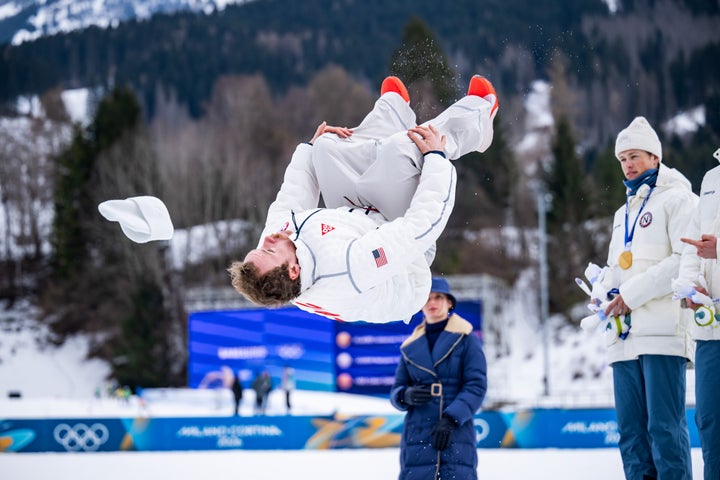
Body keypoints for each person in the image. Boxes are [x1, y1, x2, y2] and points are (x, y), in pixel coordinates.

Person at [228, 75, 498, 323]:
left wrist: (309, 147)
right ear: (294, 271)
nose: (269, 239)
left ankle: (394, 113)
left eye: (261, 247)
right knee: (403, 151)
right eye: (269, 250)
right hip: (405, 255)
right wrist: (437, 160)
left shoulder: (276, 252)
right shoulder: (350, 268)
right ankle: (478, 120)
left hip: (354, 222)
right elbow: (420, 226)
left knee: (325, 148)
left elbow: (291, 196)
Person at [598, 117, 697, 479]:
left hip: (662, 332)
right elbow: (617, 267)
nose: (628, 164)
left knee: (664, 431)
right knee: (631, 435)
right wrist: (604, 290)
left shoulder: (680, 199)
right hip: (623, 336)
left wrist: (630, 293)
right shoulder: (621, 213)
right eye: (622, 158)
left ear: (655, 157)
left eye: (635, 155)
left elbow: (684, 260)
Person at [389, 277, 487, 480]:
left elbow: (476, 386)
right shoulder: (409, 346)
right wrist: (405, 395)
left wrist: (451, 419)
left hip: (455, 430)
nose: (432, 303)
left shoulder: (467, 339)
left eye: (438, 297)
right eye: (426, 298)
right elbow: (396, 391)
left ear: (449, 302)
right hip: (417, 433)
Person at [677, 147, 720, 480]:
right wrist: (691, 287)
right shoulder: (710, 179)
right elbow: (692, 250)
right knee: (709, 421)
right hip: (711, 330)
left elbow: (711, 247)